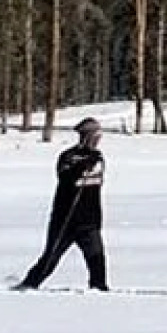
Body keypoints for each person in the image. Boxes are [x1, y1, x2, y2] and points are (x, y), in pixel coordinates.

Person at [16, 117, 109, 291]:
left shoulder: (98, 157)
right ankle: (29, 284)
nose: (98, 140)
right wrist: (81, 166)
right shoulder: (68, 156)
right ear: (86, 136)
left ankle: (99, 289)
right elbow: (65, 178)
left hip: (89, 220)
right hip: (65, 219)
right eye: (95, 135)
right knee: (51, 257)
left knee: (96, 258)